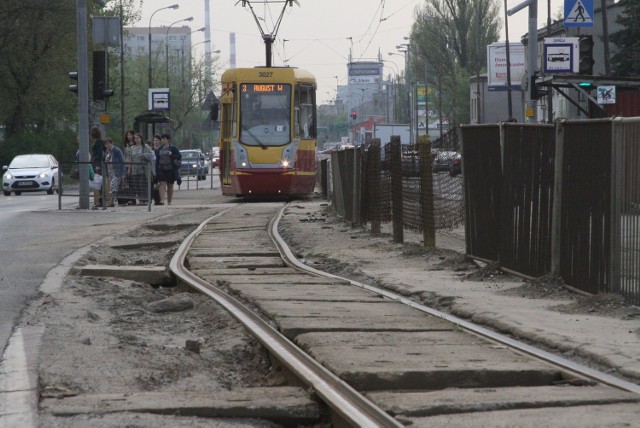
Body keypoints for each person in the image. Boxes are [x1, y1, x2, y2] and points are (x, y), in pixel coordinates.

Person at [155, 133, 181, 206]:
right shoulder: (160, 149)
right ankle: (162, 200)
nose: (163, 140)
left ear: (168, 140)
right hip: (162, 169)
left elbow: (179, 156)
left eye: (164, 139)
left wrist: (172, 155)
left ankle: (169, 201)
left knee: (170, 185)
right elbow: (157, 160)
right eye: (162, 139)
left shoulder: (173, 148)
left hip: (170, 169)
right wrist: (157, 169)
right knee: (162, 184)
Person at [129, 133, 153, 204]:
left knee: (142, 184)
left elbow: (150, 155)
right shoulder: (132, 148)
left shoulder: (145, 146)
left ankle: (145, 199)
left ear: (141, 138)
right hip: (134, 170)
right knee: (136, 185)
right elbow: (131, 159)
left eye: (138, 138)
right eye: (135, 138)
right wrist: (129, 170)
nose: (136, 139)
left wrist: (143, 155)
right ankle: (140, 199)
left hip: (142, 169)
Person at [103, 138, 126, 208]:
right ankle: (112, 201)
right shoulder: (107, 152)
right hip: (110, 171)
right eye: (106, 144)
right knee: (112, 186)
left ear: (112, 143)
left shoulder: (117, 150)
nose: (107, 145)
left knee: (114, 185)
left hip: (117, 171)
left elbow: (122, 161)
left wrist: (123, 172)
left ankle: (111, 202)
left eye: (108, 143)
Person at [90, 126, 105, 207]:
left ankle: (101, 200)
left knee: (99, 182)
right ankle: (101, 200)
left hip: (97, 164)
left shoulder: (98, 142)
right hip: (97, 163)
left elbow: (99, 154)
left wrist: (98, 165)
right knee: (99, 182)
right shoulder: (100, 141)